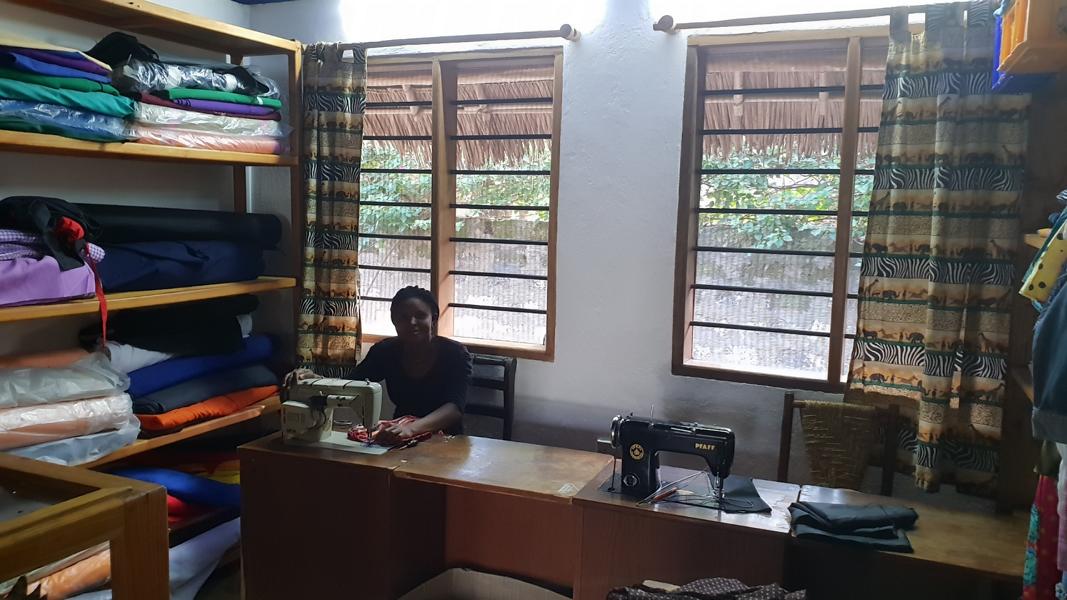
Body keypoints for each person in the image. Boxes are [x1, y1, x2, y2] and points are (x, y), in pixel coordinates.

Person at [295, 286, 471, 446]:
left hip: (447, 440)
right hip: (399, 438)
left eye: (420, 316)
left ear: (433, 319)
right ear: (394, 321)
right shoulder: (386, 351)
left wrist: (412, 428)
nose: (412, 322)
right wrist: (318, 381)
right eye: (403, 317)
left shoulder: (455, 354)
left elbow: (454, 408)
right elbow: (351, 384)